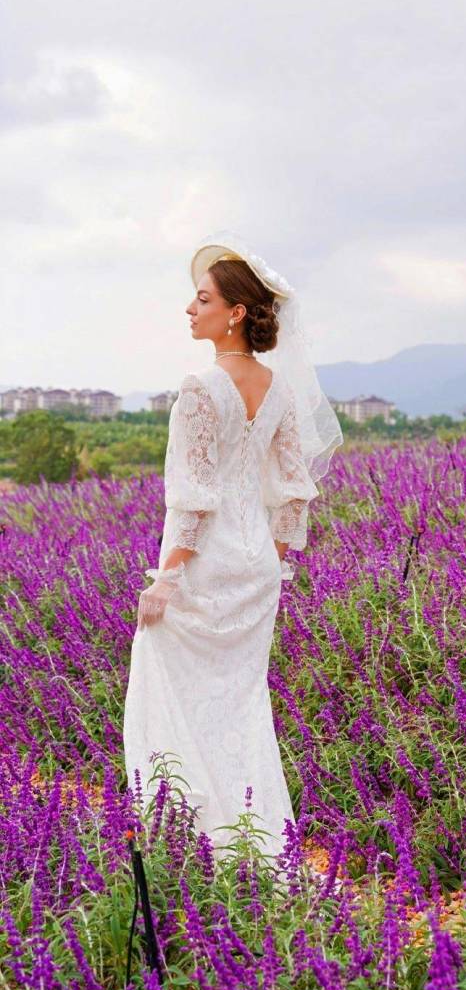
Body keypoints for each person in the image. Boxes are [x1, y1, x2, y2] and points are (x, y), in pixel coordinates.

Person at [123, 231, 343, 867]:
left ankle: (194, 843)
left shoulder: (200, 387)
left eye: (202, 299)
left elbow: (194, 498)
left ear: (236, 312)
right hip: (256, 570)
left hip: (202, 566)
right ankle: (252, 841)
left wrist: (167, 578)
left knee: (168, 694)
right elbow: (295, 492)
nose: (190, 309)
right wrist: (273, 559)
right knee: (242, 706)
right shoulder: (279, 388)